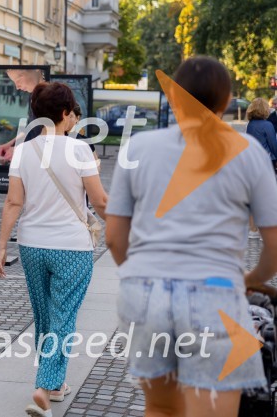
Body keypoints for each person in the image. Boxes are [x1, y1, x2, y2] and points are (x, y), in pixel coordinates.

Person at [106, 56, 277, 417]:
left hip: (143, 294)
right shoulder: (249, 154)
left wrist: (142, 272)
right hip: (215, 295)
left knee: (161, 409)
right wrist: (250, 279)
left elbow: (114, 238)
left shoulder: (138, 148)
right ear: (227, 99)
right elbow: (273, 246)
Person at [0, 82, 109, 417]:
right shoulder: (80, 151)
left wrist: (1, 247)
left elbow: (14, 201)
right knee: (63, 315)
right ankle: (45, 386)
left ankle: (55, 386)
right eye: (72, 112)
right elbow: (100, 200)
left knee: (45, 314)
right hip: (71, 247)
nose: (74, 119)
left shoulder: (25, 151)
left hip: (31, 245)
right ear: (63, 113)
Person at [0, 68, 48, 162]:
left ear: (36, 69)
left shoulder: (52, 96)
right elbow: (30, 129)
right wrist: (11, 144)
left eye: (18, 80)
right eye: (14, 82)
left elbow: (50, 137)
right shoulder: (33, 95)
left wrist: (20, 150)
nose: (17, 87)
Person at [246, 97, 277, 167]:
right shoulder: (267, 125)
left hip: (254, 158)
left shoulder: (250, 124)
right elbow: (273, 145)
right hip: (266, 159)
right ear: (265, 109)